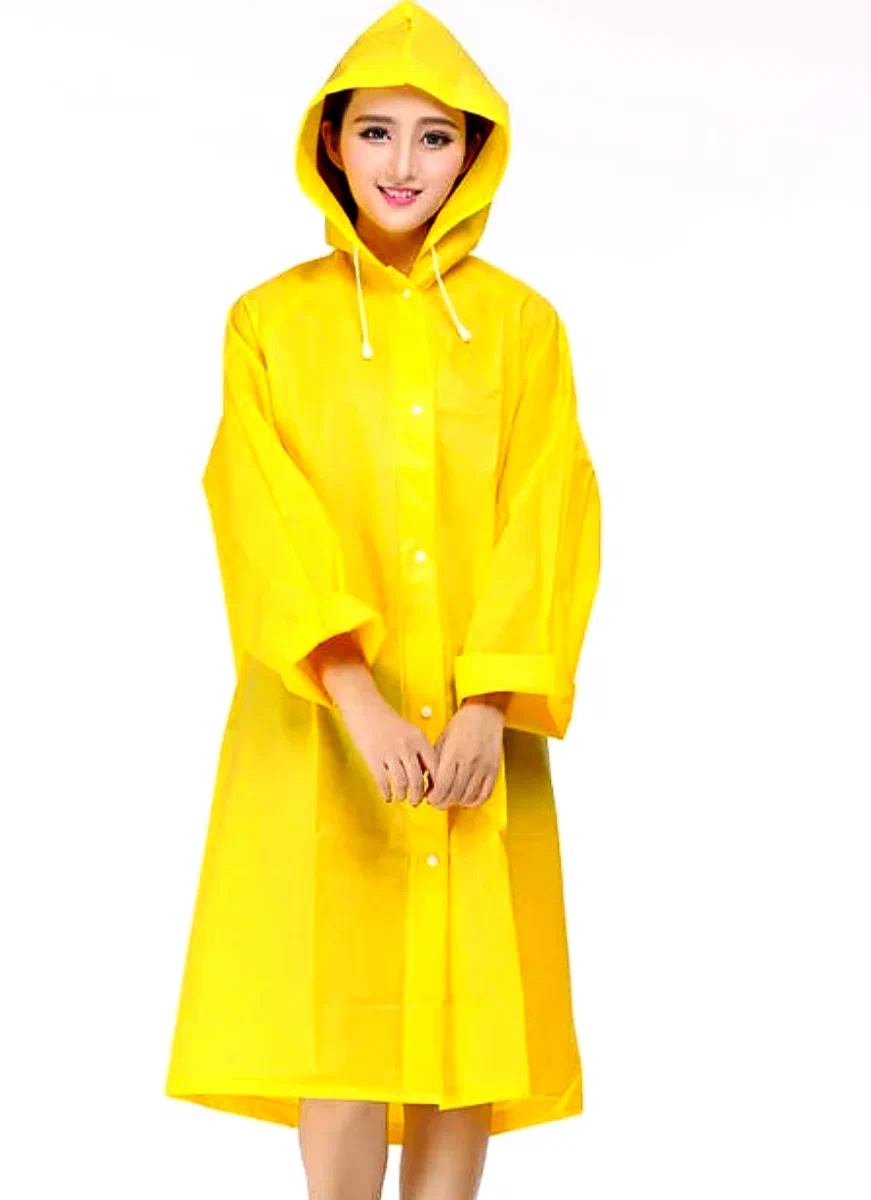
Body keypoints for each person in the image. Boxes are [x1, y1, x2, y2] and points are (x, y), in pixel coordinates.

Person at [164, 2, 602, 1197]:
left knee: (465, 1024)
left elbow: (549, 515)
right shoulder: (271, 323)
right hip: (323, 728)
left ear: (472, 154)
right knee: (341, 1012)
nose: (403, 163)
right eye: (376, 132)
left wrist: (489, 703)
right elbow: (259, 514)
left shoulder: (521, 330)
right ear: (331, 143)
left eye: (434, 136)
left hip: (473, 732)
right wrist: (353, 695)